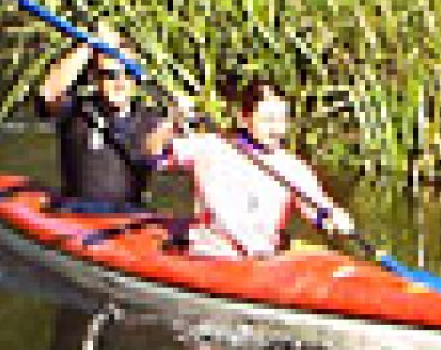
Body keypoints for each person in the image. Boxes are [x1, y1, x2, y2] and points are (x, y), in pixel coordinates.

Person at [27, 25, 162, 350]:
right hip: (75, 222)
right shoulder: (77, 111)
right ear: (94, 77)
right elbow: (48, 92)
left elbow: (162, 149)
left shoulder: (151, 120)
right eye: (108, 74)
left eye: (127, 74)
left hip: (130, 229)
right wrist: (89, 44)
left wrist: (182, 118)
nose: (118, 83)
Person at [147, 78, 355, 258]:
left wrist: (335, 218)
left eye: (282, 120)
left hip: (263, 260)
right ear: (244, 118)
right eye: (268, 120)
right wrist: (173, 122)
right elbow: (154, 151)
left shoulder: (292, 167)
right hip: (212, 255)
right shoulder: (210, 146)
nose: (277, 129)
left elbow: (318, 210)